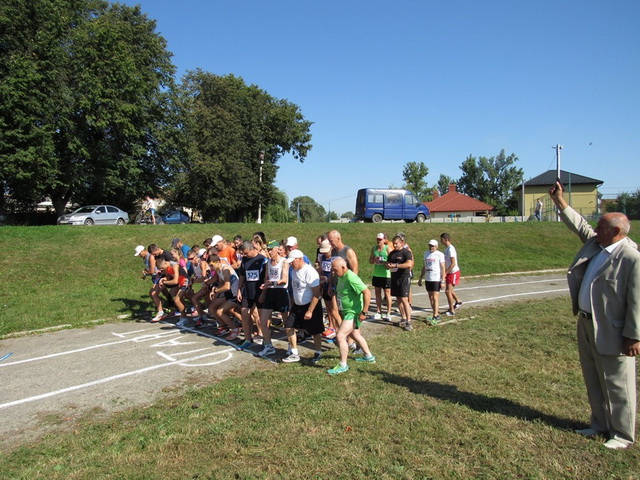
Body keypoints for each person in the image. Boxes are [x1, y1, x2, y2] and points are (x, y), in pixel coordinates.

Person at [549, 179, 640, 450]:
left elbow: (637, 301)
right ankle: (599, 424)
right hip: (587, 323)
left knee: (618, 383)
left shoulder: (631, 258)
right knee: (594, 377)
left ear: (616, 231)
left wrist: (634, 336)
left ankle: (622, 435)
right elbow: (580, 225)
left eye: (600, 226)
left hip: (614, 331)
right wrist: (559, 201)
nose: (595, 229)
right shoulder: (596, 244)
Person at [327, 257, 376, 375]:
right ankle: (369, 356)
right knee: (355, 335)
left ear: (343, 267)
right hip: (346, 312)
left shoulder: (351, 277)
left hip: (353, 313)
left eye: (335, 270)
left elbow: (367, 292)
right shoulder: (341, 276)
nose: (333, 272)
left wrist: (364, 312)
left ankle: (343, 365)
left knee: (340, 336)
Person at [283, 249, 324, 363]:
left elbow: (316, 293)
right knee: (288, 326)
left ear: (300, 259)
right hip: (297, 305)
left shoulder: (309, 272)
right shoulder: (293, 270)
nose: (291, 264)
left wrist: (310, 311)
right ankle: (294, 353)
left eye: (293, 261)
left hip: (310, 305)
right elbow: (295, 289)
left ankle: (318, 352)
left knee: (315, 331)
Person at [257, 241, 290, 359]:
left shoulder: (284, 262)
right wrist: (264, 289)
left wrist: (272, 283)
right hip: (270, 292)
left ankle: (291, 345)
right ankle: (268, 345)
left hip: (281, 292)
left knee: (287, 322)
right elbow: (266, 278)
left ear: (277, 249)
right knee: (262, 321)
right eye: (268, 250)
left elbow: (284, 280)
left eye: (271, 249)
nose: (270, 252)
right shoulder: (268, 263)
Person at [235, 241, 268, 349]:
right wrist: (239, 289)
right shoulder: (244, 260)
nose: (244, 255)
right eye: (243, 254)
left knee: (262, 318)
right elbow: (242, 276)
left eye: (246, 253)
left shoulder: (262, 260)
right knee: (245, 314)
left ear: (253, 249)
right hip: (248, 292)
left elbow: (266, 278)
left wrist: (264, 292)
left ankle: (266, 340)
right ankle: (248, 339)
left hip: (259, 292)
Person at [386, 235, 414, 331]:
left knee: (404, 299)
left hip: (404, 278)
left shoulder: (406, 252)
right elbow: (387, 264)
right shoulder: (392, 253)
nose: (394, 245)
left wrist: (396, 265)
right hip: (394, 278)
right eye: (393, 243)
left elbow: (409, 264)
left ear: (402, 243)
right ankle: (403, 318)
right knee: (398, 299)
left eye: (396, 243)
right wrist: (386, 265)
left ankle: (409, 321)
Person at [418, 239, 446, 325]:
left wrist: (442, 280)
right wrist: (421, 277)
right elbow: (424, 266)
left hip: (436, 279)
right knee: (430, 297)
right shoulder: (426, 253)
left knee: (435, 298)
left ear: (436, 246)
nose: (431, 247)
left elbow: (443, 267)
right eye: (430, 245)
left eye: (433, 246)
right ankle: (434, 313)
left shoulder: (440, 254)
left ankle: (436, 316)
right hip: (428, 278)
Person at [369, 232, 392, 321]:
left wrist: (384, 262)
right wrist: (374, 260)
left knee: (387, 293)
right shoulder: (374, 248)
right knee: (377, 293)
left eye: (380, 239)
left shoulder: (387, 248)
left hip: (386, 274)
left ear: (384, 240)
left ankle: (388, 313)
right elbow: (370, 260)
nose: (379, 241)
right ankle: (379, 311)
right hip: (376, 274)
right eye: (377, 239)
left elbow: (392, 260)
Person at [440, 233, 462, 316]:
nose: (440, 241)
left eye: (441, 239)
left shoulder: (451, 249)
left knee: (448, 291)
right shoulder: (446, 249)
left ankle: (451, 310)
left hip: (453, 272)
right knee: (449, 290)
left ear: (446, 240)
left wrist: (446, 272)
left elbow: (453, 263)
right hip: (449, 272)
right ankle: (458, 301)